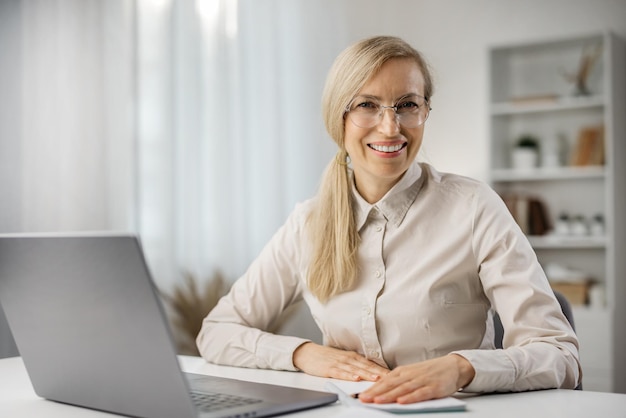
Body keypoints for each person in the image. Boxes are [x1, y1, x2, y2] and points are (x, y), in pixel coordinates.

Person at [196, 35, 581, 404]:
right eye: (367, 105)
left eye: (407, 105)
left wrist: (462, 368)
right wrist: (303, 354)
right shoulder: (308, 223)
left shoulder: (474, 207)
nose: (390, 127)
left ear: (425, 111)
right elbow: (216, 333)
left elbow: (559, 354)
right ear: (339, 117)